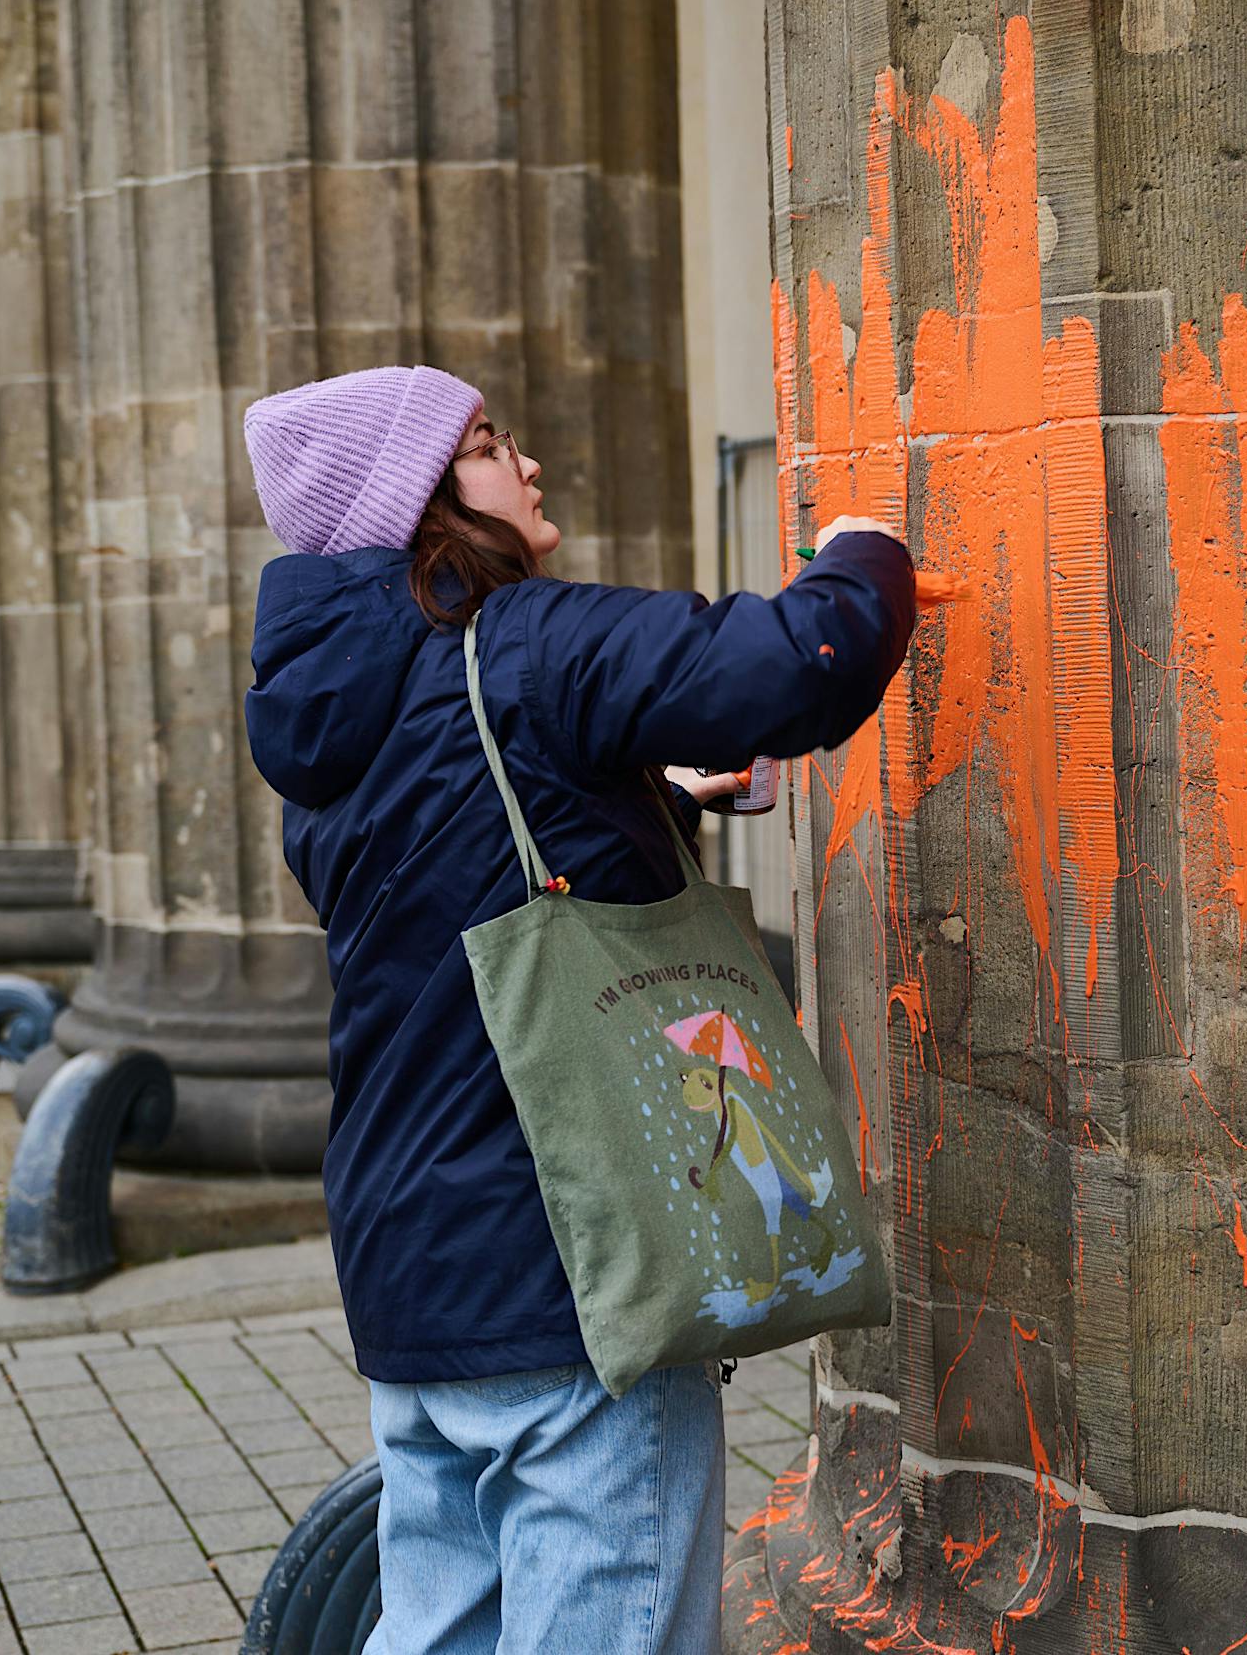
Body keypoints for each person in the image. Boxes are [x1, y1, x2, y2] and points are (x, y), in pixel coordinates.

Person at [240, 364, 915, 1655]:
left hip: (411, 1269)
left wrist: (654, 789)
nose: (527, 465)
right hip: (570, 1268)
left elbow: (461, 857)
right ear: (422, 504)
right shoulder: (531, 646)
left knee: (441, 1630)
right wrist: (865, 552)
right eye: (489, 444)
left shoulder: (326, 723)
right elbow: (799, 662)